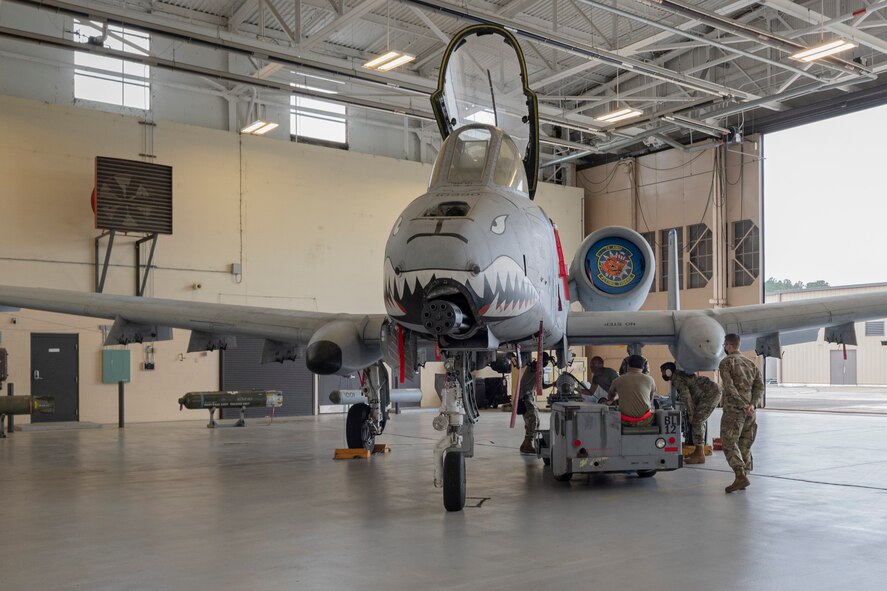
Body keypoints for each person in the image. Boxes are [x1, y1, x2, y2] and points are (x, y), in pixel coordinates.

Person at [718, 333, 764, 493]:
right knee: (744, 442)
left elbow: (729, 387)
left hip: (734, 411)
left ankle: (740, 476)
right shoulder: (750, 364)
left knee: (729, 442)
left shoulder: (726, 363)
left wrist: (743, 404)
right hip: (750, 413)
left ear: (727, 345)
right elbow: (760, 386)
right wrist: (752, 404)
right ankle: (745, 474)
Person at [660, 362, 722, 464]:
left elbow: (686, 396)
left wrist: (691, 413)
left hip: (711, 393)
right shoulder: (679, 375)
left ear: (668, 371)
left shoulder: (677, 378)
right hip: (709, 392)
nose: (663, 374)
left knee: (697, 421)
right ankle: (698, 451)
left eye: (663, 372)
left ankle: (700, 455)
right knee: (697, 420)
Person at [517, 353, 555, 454]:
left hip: (529, 397)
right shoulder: (533, 367)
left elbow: (541, 385)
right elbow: (534, 366)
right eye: (545, 361)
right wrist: (540, 361)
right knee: (532, 419)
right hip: (524, 397)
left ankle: (526, 443)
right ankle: (527, 444)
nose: (546, 363)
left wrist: (552, 384)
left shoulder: (540, 370)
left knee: (535, 420)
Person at [608, 354, 656, 427]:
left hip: (624, 421)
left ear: (628, 366)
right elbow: (650, 398)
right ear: (643, 367)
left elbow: (610, 397)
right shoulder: (650, 380)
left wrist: (614, 398)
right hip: (645, 421)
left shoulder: (617, 380)